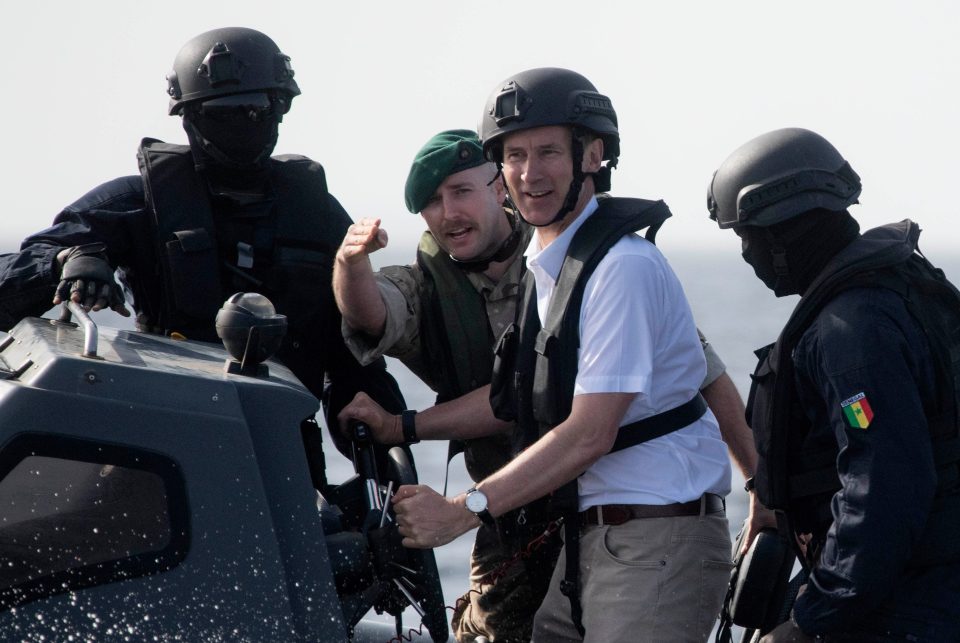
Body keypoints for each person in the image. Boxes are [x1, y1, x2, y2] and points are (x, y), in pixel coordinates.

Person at [339, 68, 734, 642]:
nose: (530, 172)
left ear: (593, 155)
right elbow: (512, 401)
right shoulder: (550, 271)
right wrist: (402, 426)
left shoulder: (621, 269)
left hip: (653, 541)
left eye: (549, 151)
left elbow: (590, 433)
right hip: (590, 538)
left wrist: (461, 509)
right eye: (515, 155)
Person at [0, 27, 405, 454]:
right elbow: (11, 274)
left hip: (279, 450)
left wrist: (384, 445)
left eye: (258, 109)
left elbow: (351, 355)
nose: (244, 124)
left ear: (281, 109)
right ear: (189, 117)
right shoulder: (139, 203)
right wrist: (67, 261)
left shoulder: (315, 214)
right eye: (223, 114)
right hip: (161, 445)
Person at [708, 127, 960, 642]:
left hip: (909, 606)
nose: (745, 254)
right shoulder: (894, 287)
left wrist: (811, 620)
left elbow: (882, 486)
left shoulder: (853, 331)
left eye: (746, 235)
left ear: (783, 233)